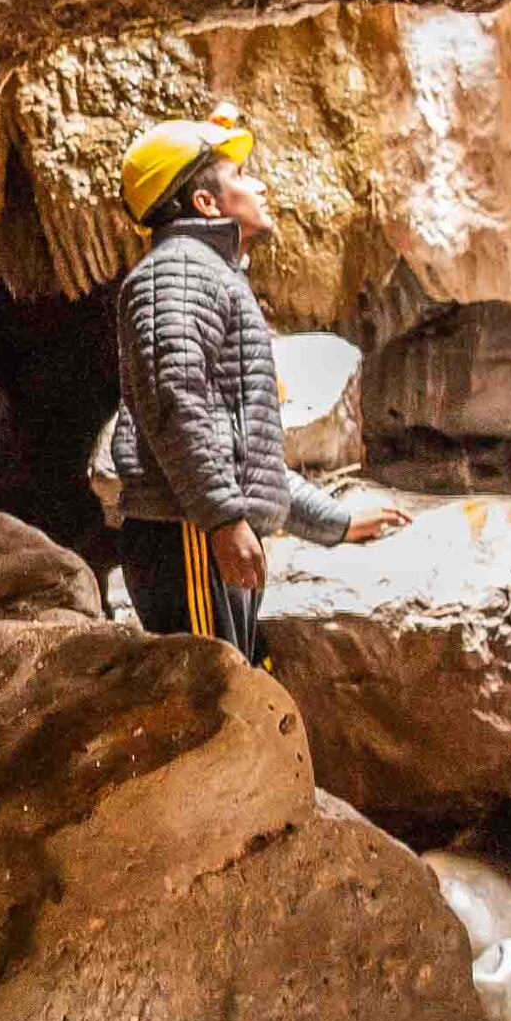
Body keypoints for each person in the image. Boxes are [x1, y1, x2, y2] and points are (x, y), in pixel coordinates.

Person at [89, 114, 408, 659]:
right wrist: (221, 520)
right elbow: (175, 402)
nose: (259, 185)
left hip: (198, 532)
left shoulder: (204, 273)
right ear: (206, 204)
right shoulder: (177, 274)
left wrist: (335, 523)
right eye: (239, 175)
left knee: (230, 690)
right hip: (188, 537)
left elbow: (244, 456)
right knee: (210, 700)